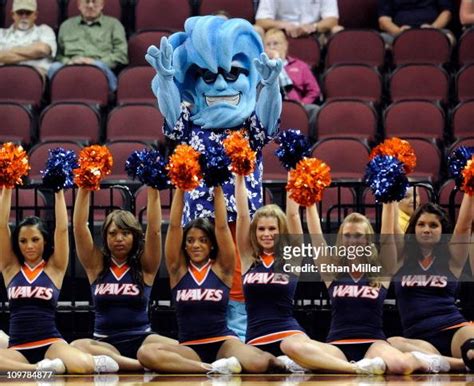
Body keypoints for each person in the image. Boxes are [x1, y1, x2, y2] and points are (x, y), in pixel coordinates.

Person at [147, 16, 283, 342]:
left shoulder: (249, 122)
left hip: (242, 215)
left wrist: (271, 86)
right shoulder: (189, 120)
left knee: (238, 277)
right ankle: (204, 337)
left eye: (233, 73)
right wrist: (166, 79)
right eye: (209, 76)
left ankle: (239, 340)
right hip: (200, 219)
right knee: (202, 277)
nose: (221, 85)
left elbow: (269, 118)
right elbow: (169, 116)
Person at [234, 173, 389, 374]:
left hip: (289, 334)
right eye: (261, 229)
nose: (267, 234)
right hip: (256, 338)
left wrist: (293, 166)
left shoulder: (292, 257)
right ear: (254, 232)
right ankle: (286, 364)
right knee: (256, 364)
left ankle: (353, 370)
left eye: (273, 228)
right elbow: (242, 216)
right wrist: (239, 175)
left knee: (292, 350)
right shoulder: (248, 259)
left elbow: (293, 215)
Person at [281, 201, 453, 374]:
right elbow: (316, 235)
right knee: (289, 343)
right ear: (340, 239)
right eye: (347, 236)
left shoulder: (381, 268)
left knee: (402, 366)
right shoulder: (332, 270)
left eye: (358, 236)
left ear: (368, 239)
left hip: (373, 344)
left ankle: (445, 363)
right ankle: (355, 368)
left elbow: (387, 237)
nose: (352, 241)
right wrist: (309, 201)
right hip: (338, 347)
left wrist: (388, 198)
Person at [137, 186, 281, 374]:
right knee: (146, 353)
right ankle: (211, 368)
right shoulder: (177, 270)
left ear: (211, 244)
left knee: (259, 363)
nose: (196, 245)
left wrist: (218, 186)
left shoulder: (222, 269)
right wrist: (181, 186)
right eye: (190, 241)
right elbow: (174, 226)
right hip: (190, 347)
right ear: (185, 245)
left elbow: (221, 227)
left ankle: (285, 363)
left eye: (203, 240)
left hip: (223, 343)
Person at [0, 187, 118, 374]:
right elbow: (1, 226)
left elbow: (62, 229)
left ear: (44, 241)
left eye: (35, 239)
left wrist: (58, 192)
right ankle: (36, 368)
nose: (29, 246)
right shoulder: (10, 268)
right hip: (18, 347)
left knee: (83, 367)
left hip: (50, 343)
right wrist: (6, 188)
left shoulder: (54, 268)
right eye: (23, 241)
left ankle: (89, 360)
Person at [71, 187, 177, 371]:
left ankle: (131, 364)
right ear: (104, 236)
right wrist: (84, 186)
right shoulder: (96, 265)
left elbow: (154, 230)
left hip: (143, 339)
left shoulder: (146, 265)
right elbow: (79, 227)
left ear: (135, 236)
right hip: (104, 343)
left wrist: (153, 188)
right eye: (112, 234)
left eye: (126, 233)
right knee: (76, 346)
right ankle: (141, 366)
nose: (119, 238)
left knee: (186, 348)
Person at [385, 194, 474, 371]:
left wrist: (470, 189)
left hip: (454, 328)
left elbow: (463, 227)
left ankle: (446, 362)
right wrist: (390, 193)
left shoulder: (451, 258)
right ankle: (462, 364)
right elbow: (390, 231)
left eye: (434, 225)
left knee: (472, 349)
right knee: (392, 343)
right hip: (418, 340)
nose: (427, 230)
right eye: (421, 224)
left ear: (443, 230)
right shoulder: (402, 258)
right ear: (413, 228)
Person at [48, 0, 128, 92]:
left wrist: (94, 62)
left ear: (102, 5)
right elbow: (58, 55)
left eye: (94, 2)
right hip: (71, 64)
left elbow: (121, 55)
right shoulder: (66, 26)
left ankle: (111, 98)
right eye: (86, 2)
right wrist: (69, 61)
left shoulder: (114, 25)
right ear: (79, 5)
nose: (90, 6)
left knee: (99, 66)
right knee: (54, 68)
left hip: (101, 65)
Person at [264, 28, 320, 131]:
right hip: (269, 109)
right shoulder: (261, 68)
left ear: (285, 45)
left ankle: (311, 143)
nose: (272, 47)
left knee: (314, 110)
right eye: (268, 44)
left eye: (275, 43)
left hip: (297, 105)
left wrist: (303, 104)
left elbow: (314, 90)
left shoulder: (300, 66)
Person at [0, 0, 57, 77]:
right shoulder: (1, 34)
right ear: (12, 14)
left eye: (28, 12)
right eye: (20, 12)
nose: (24, 16)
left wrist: (8, 51)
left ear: (35, 15)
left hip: (37, 77)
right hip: (5, 77)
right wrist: (33, 54)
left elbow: (42, 50)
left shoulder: (44, 30)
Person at [378, 0, 455, 45]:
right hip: (398, 34)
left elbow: (447, 13)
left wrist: (433, 29)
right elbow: (383, 20)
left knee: (449, 38)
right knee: (378, 42)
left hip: (433, 31)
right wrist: (399, 33)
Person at [255, 0, 341, 40]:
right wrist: (283, 25)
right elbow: (261, 20)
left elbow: (332, 19)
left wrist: (313, 27)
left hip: (315, 33)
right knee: (256, 29)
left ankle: (336, 73)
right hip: (280, 33)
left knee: (338, 30)